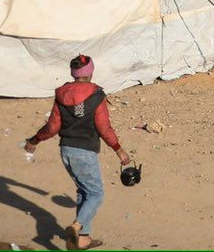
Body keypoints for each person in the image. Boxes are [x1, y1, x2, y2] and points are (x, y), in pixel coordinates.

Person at [24, 55, 134, 251]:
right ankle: (75, 228)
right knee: (96, 194)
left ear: (73, 73)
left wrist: (34, 140)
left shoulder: (62, 94)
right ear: (91, 72)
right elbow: (104, 128)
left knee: (84, 191)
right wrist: (119, 150)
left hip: (66, 151)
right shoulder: (96, 95)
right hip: (84, 153)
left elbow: (52, 127)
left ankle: (83, 239)